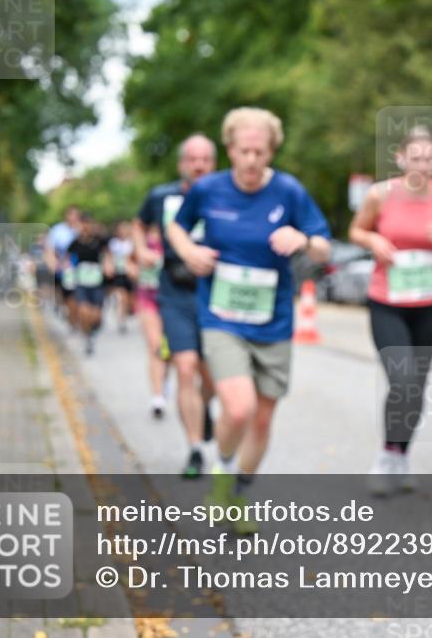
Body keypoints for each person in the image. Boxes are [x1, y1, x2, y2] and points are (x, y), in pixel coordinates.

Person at [169, 107, 331, 529]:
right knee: (238, 409)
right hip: (221, 316)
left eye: (261, 152)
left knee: (262, 417)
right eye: (244, 151)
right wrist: (188, 252)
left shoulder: (289, 192)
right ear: (230, 149)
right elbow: (176, 227)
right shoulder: (207, 190)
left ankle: (237, 493)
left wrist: (303, 240)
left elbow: (324, 247)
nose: (252, 160)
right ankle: (221, 471)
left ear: (271, 150)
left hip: (273, 320)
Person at [349, 125, 432, 495]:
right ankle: (386, 456)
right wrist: (374, 239)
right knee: (401, 381)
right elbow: (356, 231)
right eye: (413, 157)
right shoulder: (379, 195)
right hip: (387, 301)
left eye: (428, 158)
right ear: (400, 159)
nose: (421, 164)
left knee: (416, 387)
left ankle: (401, 456)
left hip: (429, 304)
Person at [134, 134, 218, 478]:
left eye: (205, 159)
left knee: (211, 374)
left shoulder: (226, 195)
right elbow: (139, 225)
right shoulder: (161, 196)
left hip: (216, 292)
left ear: (213, 164)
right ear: (182, 163)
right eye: (192, 159)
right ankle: (195, 448)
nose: (198, 165)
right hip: (174, 291)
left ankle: (204, 405)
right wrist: (140, 249)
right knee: (185, 366)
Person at [66, 214, 112, 356]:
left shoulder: (99, 241)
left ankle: (92, 330)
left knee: (96, 315)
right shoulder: (75, 243)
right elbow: (67, 259)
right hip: (81, 282)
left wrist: (108, 265)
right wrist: (67, 272)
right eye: (82, 224)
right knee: (84, 311)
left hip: (97, 282)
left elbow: (108, 254)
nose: (85, 227)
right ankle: (87, 337)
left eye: (88, 224)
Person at [135, 225, 168, 419]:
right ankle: (157, 396)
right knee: (155, 346)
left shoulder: (176, 234)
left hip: (172, 300)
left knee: (169, 351)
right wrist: (138, 267)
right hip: (148, 298)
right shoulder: (142, 239)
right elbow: (129, 262)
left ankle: (164, 383)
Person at [44, 206, 80, 325]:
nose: (74, 217)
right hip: (62, 267)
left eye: (76, 215)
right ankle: (65, 309)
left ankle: (74, 315)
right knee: (66, 292)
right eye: (72, 214)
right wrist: (53, 264)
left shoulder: (81, 229)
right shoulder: (57, 230)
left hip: (78, 267)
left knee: (75, 293)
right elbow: (50, 249)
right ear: (66, 216)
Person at [107, 220, 135, 334]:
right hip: (118, 273)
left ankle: (123, 314)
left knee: (128, 299)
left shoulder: (131, 242)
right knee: (121, 296)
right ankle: (120, 319)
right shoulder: (113, 243)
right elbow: (109, 256)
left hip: (129, 274)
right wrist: (109, 266)